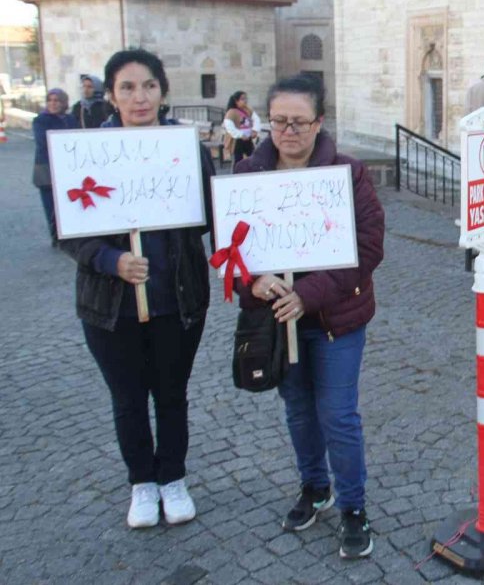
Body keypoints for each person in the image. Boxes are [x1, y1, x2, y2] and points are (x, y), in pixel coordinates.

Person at [60, 49, 215, 529]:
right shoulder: (85, 153)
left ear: (162, 92)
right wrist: (113, 260)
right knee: (127, 398)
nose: (139, 97)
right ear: (111, 95)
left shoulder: (186, 149)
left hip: (177, 300)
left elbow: (210, 216)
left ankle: (173, 477)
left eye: (148, 85)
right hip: (110, 308)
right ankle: (142, 482)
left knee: (171, 394)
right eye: (127, 87)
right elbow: (69, 231)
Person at [233, 74, 385, 559]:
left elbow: (367, 247)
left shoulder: (348, 173)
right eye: (279, 121)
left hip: (337, 319)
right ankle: (315, 487)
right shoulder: (247, 174)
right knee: (298, 410)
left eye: (299, 121)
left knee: (338, 415)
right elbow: (231, 250)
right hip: (279, 320)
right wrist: (252, 282)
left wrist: (307, 294)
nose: (289, 131)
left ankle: (353, 506)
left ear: (319, 122)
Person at [32, 88, 78, 245]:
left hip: (67, 168)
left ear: (64, 102)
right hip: (46, 169)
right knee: (51, 206)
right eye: (50, 100)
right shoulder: (41, 120)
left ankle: (70, 235)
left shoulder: (70, 119)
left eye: (57, 100)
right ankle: (56, 237)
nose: (53, 103)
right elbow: (43, 142)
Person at [222, 90, 261, 166]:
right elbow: (229, 126)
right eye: (242, 99)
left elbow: (256, 119)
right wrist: (240, 135)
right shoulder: (231, 112)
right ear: (236, 101)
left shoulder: (248, 110)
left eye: (246, 99)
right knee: (238, 160)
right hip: (237, 141)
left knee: (252, 157)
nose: (245, 101)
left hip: (248, 138)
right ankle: (236, 172)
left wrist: (255, 130)